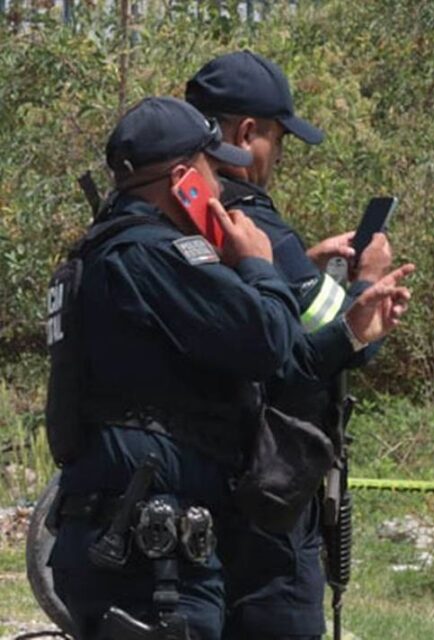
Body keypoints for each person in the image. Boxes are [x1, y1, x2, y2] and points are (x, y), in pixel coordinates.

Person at [46, 96, 411, 640]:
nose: (219, 189)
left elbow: (268, 367)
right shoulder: (153, 254)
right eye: (213, 172)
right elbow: (267, 342)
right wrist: (258, 262)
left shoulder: (107, 254)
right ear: (184, 182)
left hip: (136, 543)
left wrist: (351, 333)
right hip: (151, 561)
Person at [184, 50, 395, 640]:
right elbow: (350, 339)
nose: (278, 157)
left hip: (195, 480)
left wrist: (300, 263)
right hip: (268, 489)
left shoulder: (182, 210)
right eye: (278, 140)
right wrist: (368, 279)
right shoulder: (255, 221)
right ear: (246, 133)